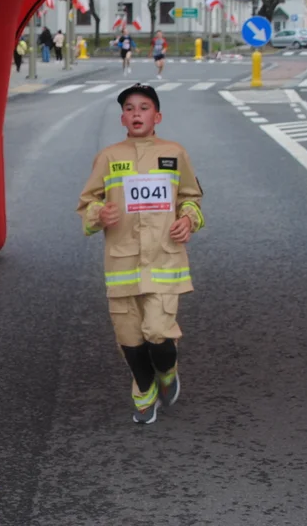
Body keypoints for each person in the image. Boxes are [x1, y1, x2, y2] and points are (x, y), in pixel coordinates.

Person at [76, 83, 204, 424]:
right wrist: (98, 215)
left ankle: (166, 372)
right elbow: (88, 202)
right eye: (130, 108)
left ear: (157, 116)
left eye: (144, 107)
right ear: (122, 118)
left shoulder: (174, 153)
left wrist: (188, 219)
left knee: (159, 331)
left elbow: (190, 197)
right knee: (129, 336)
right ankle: (145, 385)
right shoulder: (108, 157)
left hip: (165, 260)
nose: (136, 113)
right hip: (122, 263)